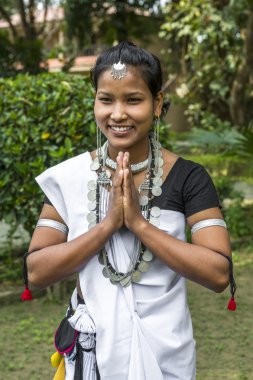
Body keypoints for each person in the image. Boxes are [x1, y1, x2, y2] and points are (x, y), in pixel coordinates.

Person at [25, 41, 236, 380]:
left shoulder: (188, 178)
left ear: (157, 104)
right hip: (92, 354)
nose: (118, 113)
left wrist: (139, 224)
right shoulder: (70, 178)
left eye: (133, 99)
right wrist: (107, 226)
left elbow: (218, 274)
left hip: (167, 353)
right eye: (106, 99)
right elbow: (36, 272)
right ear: (94, 101)